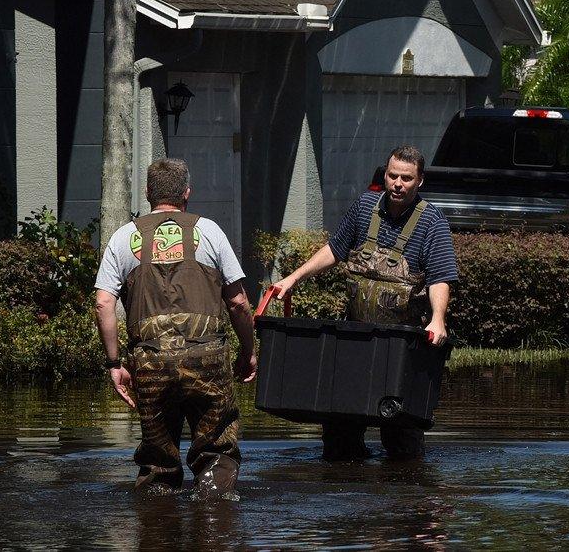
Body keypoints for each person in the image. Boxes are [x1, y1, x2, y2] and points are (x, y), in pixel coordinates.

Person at [273, 145, 457, 461]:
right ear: (384, 175)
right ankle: (344, 490)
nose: (398, 184)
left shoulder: (432, 223)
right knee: (339, 434)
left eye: (407, 178)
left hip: (401, 347)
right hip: (354, 341)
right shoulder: (363, 208)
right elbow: (333, 250)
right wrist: (293, 278)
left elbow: (440, 277)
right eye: (393, 175)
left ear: (420, 181)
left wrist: (437, 318)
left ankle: (405, 499)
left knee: (402, 443)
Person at [93, 158, 257, 494]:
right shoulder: (209, 231)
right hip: (207, 361)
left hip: (150, 364)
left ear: (148, 192)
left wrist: (114, 364)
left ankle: (156, 526)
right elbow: (239, 303)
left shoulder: (124, 237)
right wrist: (248, 350)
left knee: (158, 464)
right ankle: (214, 523)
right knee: (216, 453)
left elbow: (103, 302)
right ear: (186, 193)